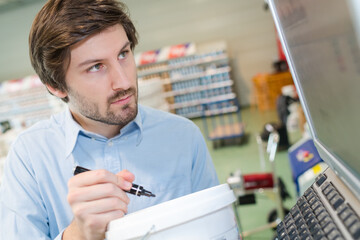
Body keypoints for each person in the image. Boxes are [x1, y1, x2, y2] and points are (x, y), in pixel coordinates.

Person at [0, 0, 219, 239]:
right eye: (96, 67)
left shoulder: (184, 137)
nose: (124, 82)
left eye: (123, 54)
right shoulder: (30, 157)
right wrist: (78, 234)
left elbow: (219, 230)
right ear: (55, 86)